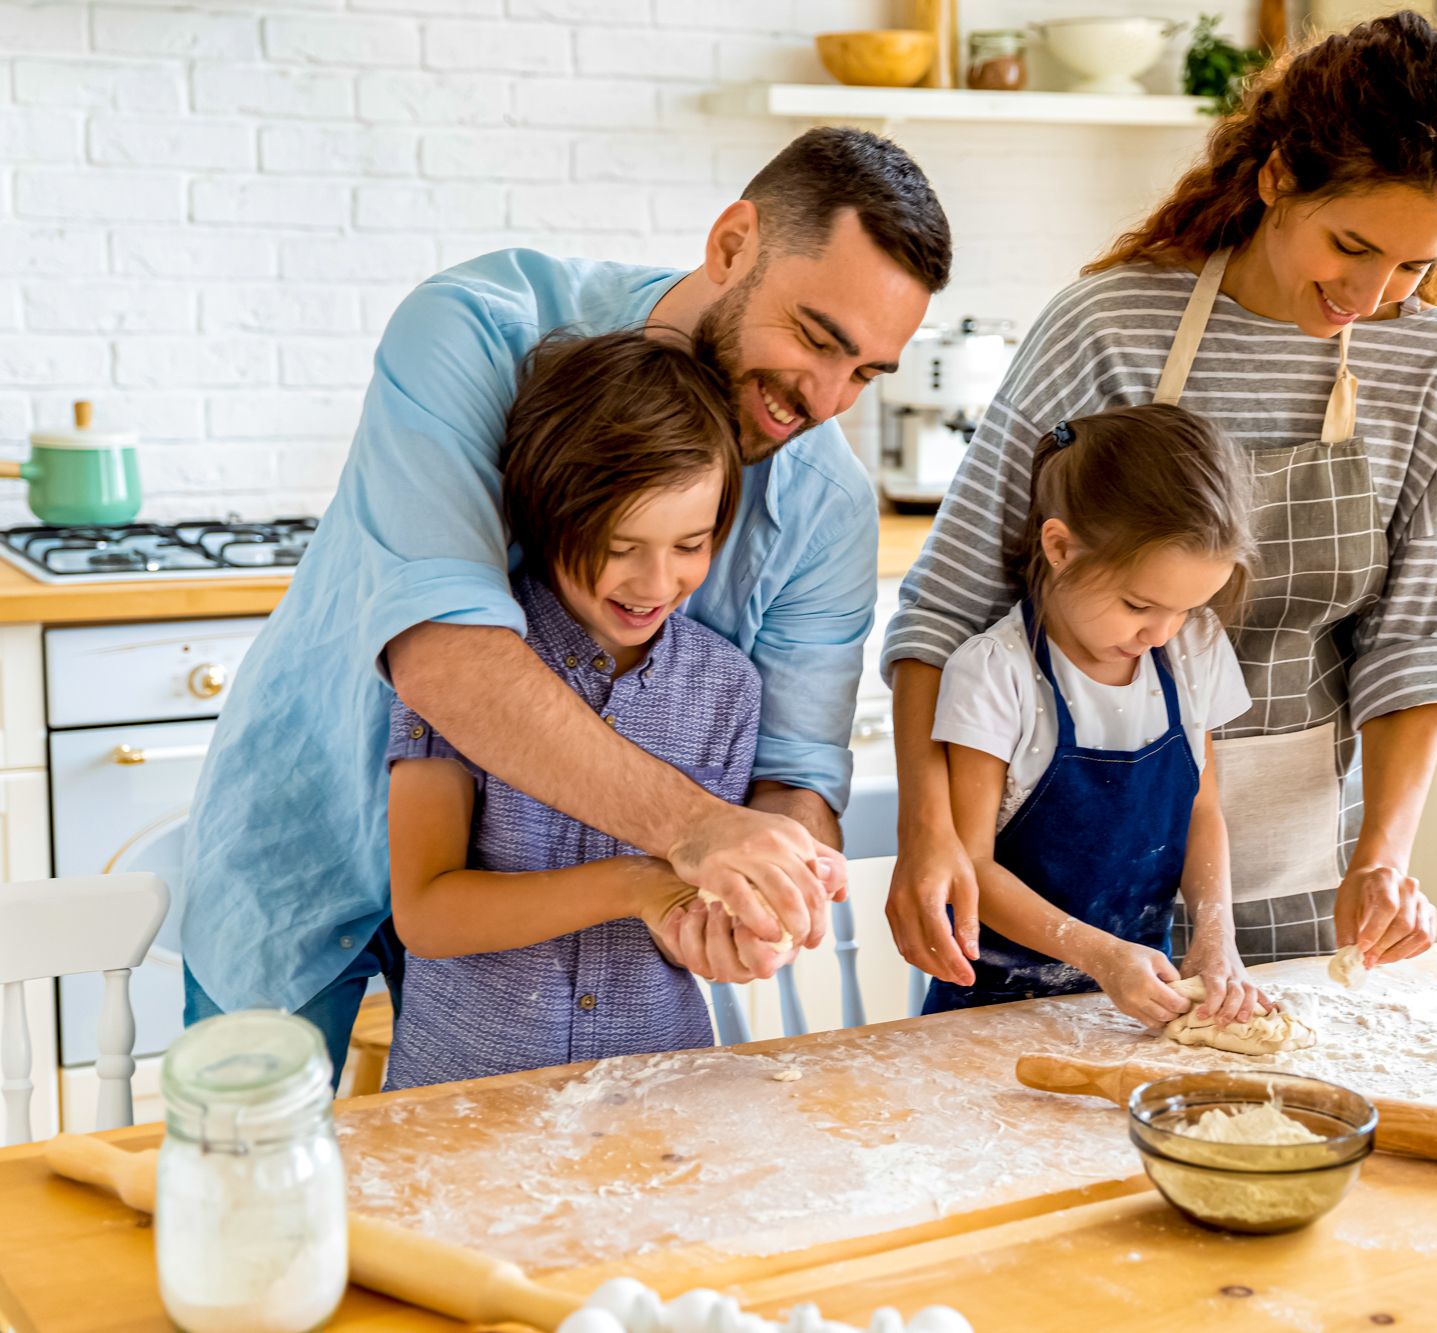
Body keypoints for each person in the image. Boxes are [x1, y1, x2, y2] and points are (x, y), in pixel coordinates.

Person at [181, 127, 951, 1081]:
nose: (828, 399)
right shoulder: (473, 329)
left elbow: (791, 781)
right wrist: (693, 834)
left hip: (569, 971)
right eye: (816, 338)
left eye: (868, 371)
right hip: (308, 844)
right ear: (732, 243)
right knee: (247, 1197)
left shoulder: (826, 504)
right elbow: (449, 661)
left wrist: (755, 902)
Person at [884, 12, 1437, 987]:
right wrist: (926, 830)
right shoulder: (1109, 325)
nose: (1369, 291)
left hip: (1307, 881)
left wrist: (1380, 858)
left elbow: (1416, 642)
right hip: (1062, 895)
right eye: (1348, 244)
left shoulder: (1435, 366)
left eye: (1412, 265)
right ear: (1275, 177)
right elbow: (947, 606)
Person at [384, 331, 778, 1089]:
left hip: (657, 1086)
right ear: (546, 515)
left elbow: (687, 914)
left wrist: (725, 933)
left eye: (691, 544)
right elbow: (426, 912)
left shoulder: (727, 687)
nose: (656, 581)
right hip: (469, 1090)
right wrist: (636, 885)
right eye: (619, 545)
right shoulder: (469, 668)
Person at [922, 405, 1268, 1029]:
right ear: (1059, 547)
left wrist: (1217, 936)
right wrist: (1101, 956)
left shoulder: (1194, 650)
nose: (1160, 632)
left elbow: (1201, 809)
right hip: (992, 1009)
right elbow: (970, 866)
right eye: (1139, 604)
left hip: (1135, 1006)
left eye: (1187, 609)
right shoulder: (995, 674)